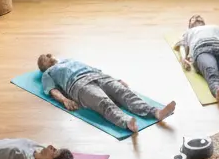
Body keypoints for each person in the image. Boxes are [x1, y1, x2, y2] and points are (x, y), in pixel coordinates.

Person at [37, 54, 175, 132]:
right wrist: (65, 100)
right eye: (46, 57)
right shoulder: (48, 73)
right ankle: (127, 122)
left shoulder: (70, 60)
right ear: (45, 65)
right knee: (103, 102)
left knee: (124, 92)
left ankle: (156, 112)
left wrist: (116, 79)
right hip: (79, 85)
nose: (50, 55)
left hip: (99, 77)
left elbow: (96, 69)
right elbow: (52, 90)